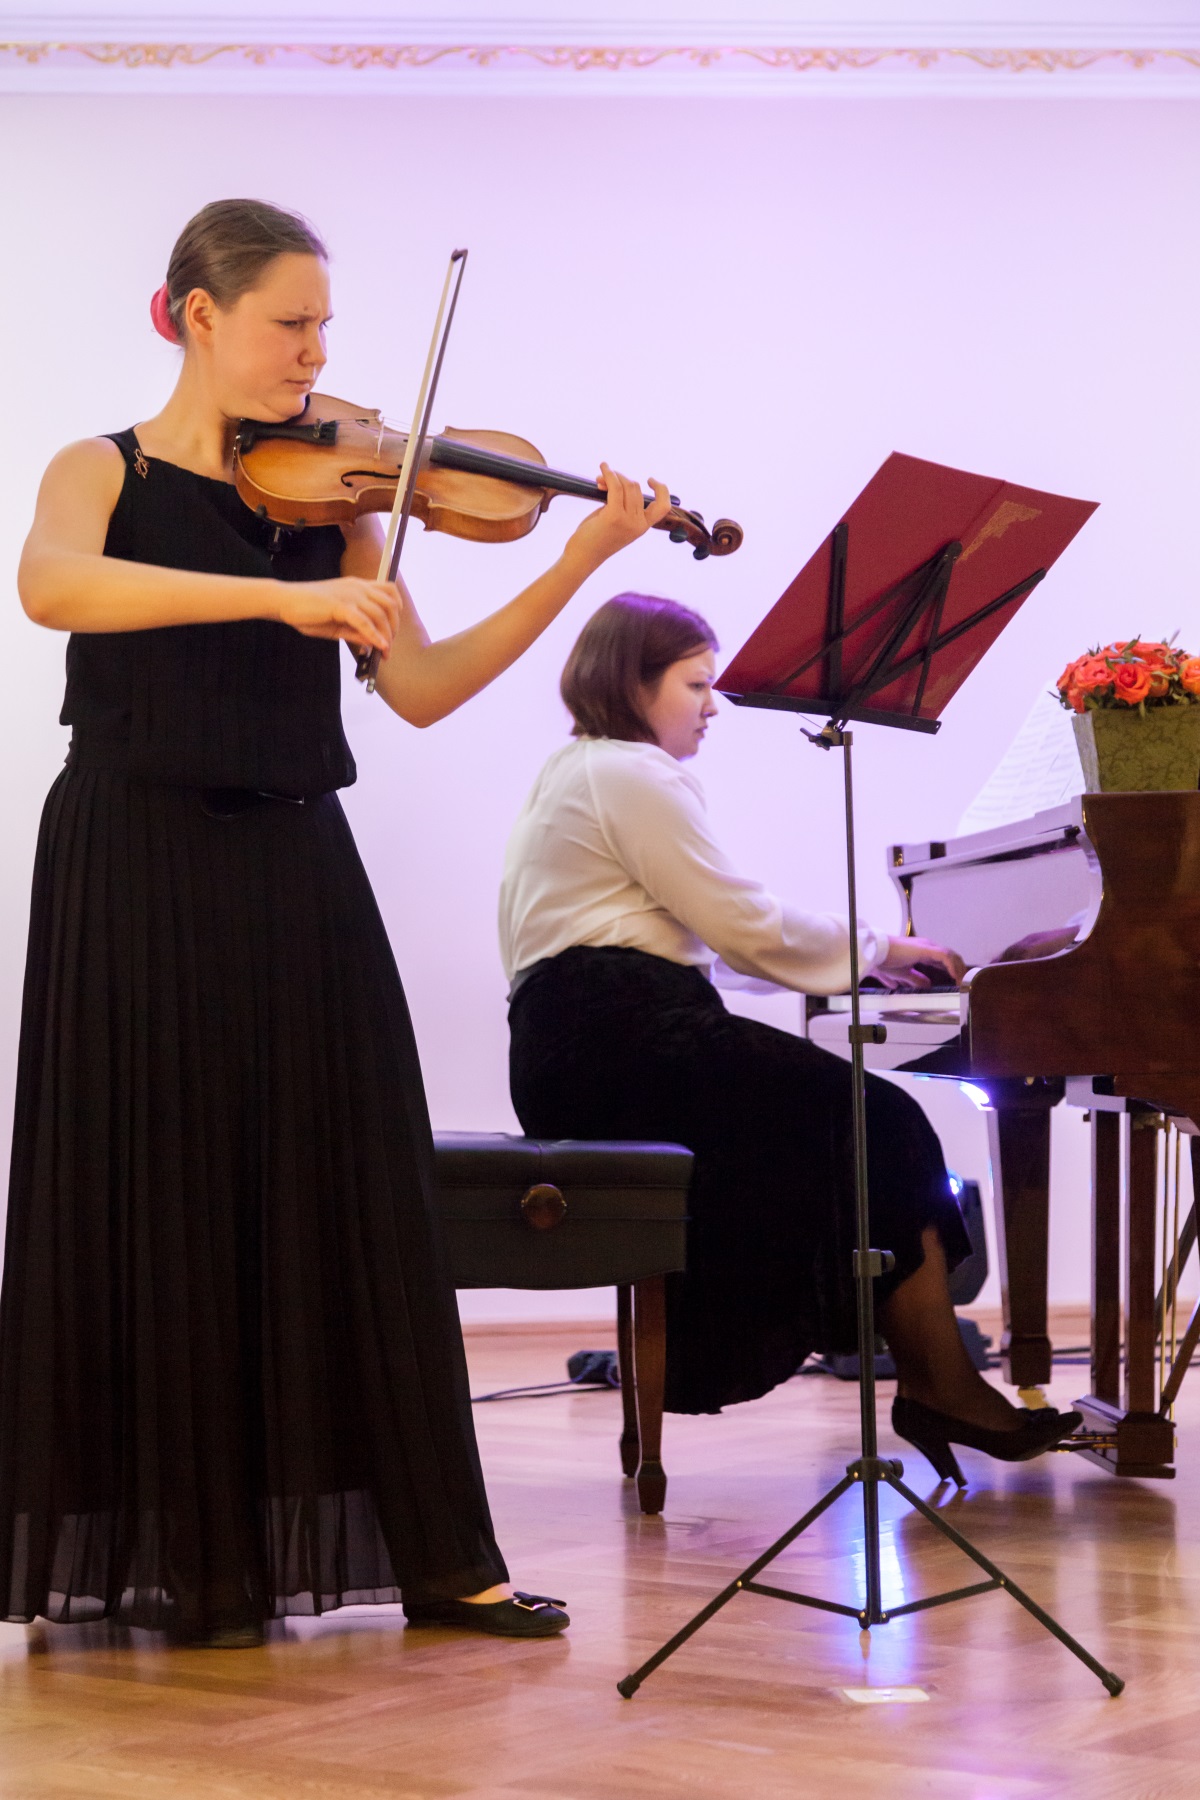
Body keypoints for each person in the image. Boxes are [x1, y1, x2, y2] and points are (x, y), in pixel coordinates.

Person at [3, 199, 673, 1647]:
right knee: (158, 1181)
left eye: (325, 328)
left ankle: (441, 1559)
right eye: (289, 324)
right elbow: (52, 585)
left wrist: (577, 561)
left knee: (355, 1176)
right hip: (132, 856)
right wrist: (272, 604)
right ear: (194, 315)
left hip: (296, 857)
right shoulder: (99, 470)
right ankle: (182, 1559)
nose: (316, 356)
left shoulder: (345, 503)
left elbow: (418, 690)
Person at [500, 593, 1082, 1482]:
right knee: (880, 1121)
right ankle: (940, 1384)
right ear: (631, 682)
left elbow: (698, 939)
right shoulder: (630, 772)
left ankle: (931, 1375)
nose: (713, 706)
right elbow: (743, 925)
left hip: (585, 1042)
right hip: (623, 1038)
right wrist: (882, 949)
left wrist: (854, 965)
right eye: (695, 684)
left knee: (864, 1123)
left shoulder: (577, 769)